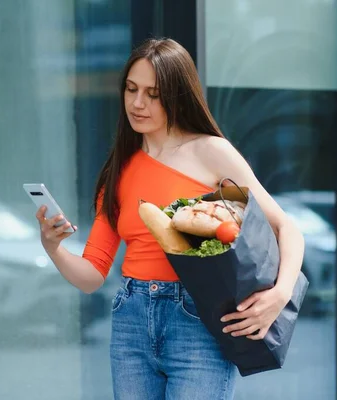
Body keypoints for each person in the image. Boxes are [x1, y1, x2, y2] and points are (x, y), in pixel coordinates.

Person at [36, 38, 305, 400]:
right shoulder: (119, 169)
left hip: (197, 319)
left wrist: (279, 295)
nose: (137, 103)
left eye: (153, 93)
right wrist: (53, 248)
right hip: (131, 319)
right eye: (131, 89)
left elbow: (285, 227)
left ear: (177, 96)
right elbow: (91, 276)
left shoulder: (210, 152)